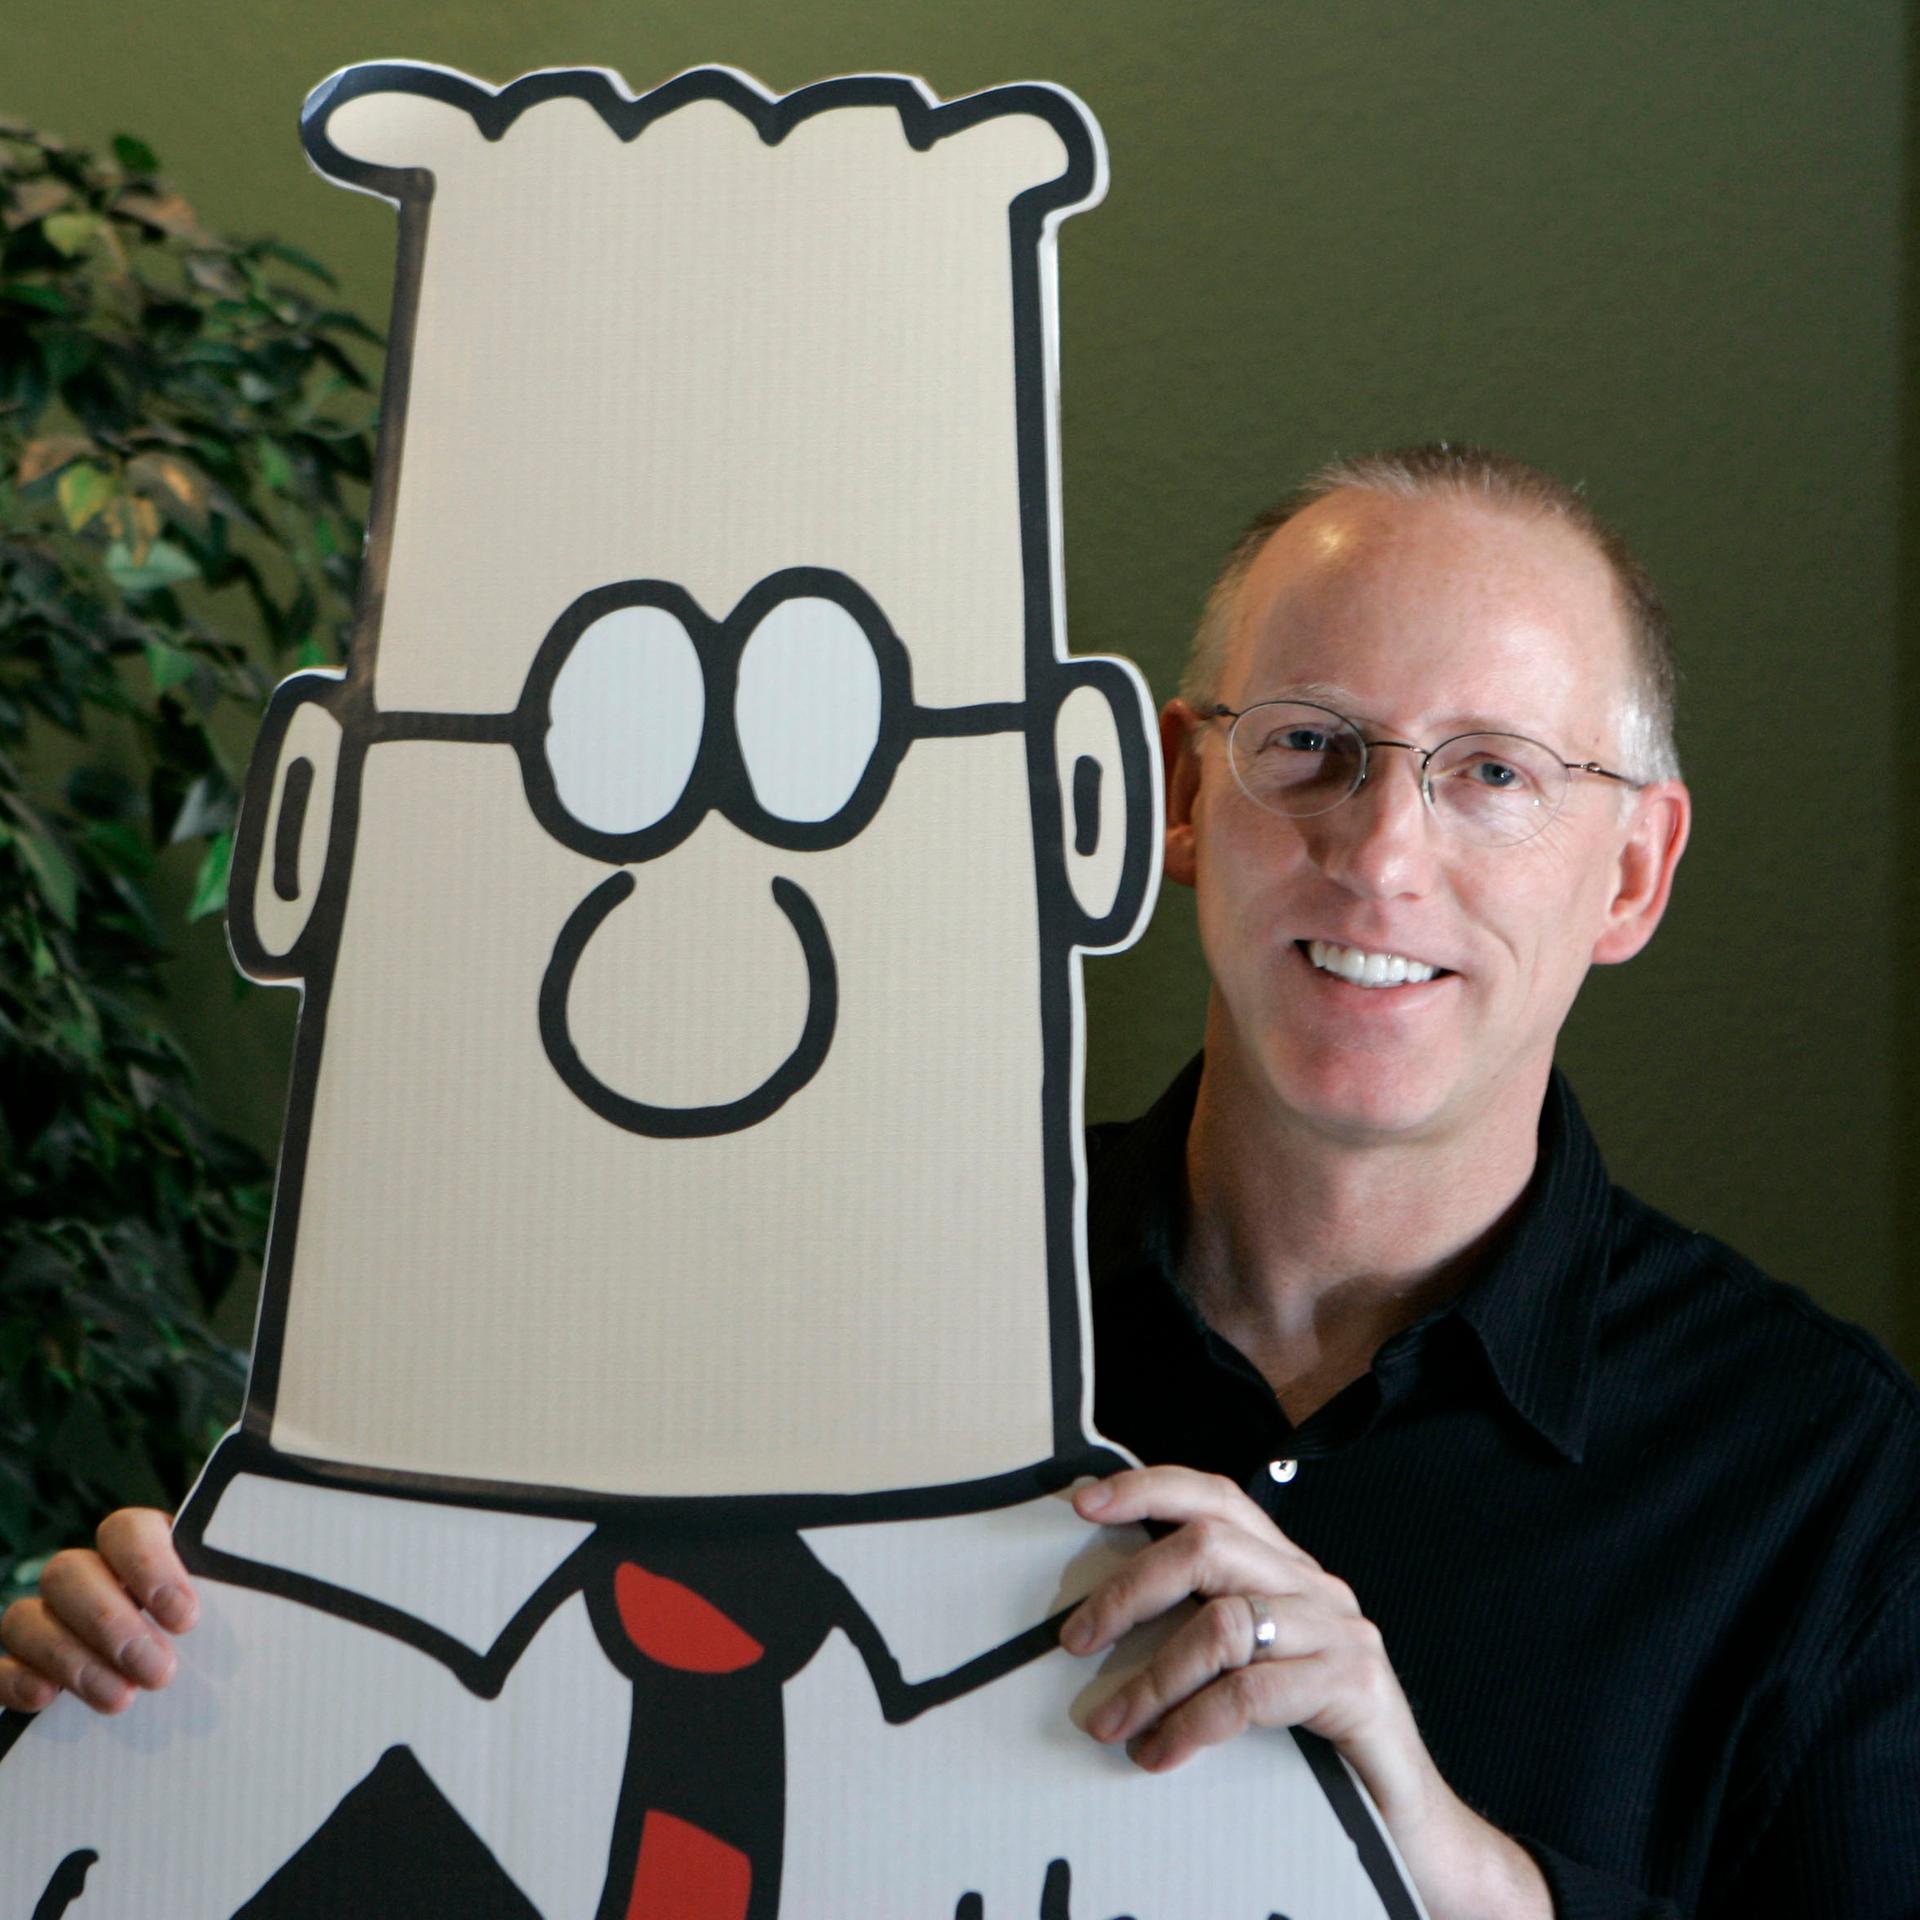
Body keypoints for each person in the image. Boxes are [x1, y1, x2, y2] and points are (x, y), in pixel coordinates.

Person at [6, 443, 1916, 1920]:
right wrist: (147, 1710)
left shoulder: (1828, 1484)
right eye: (1310, 747)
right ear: (1181, 799)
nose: (1382, 856)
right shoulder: (820, 1315)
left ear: (1633, 874)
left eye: (1494, 774)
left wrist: (1438, 1865)